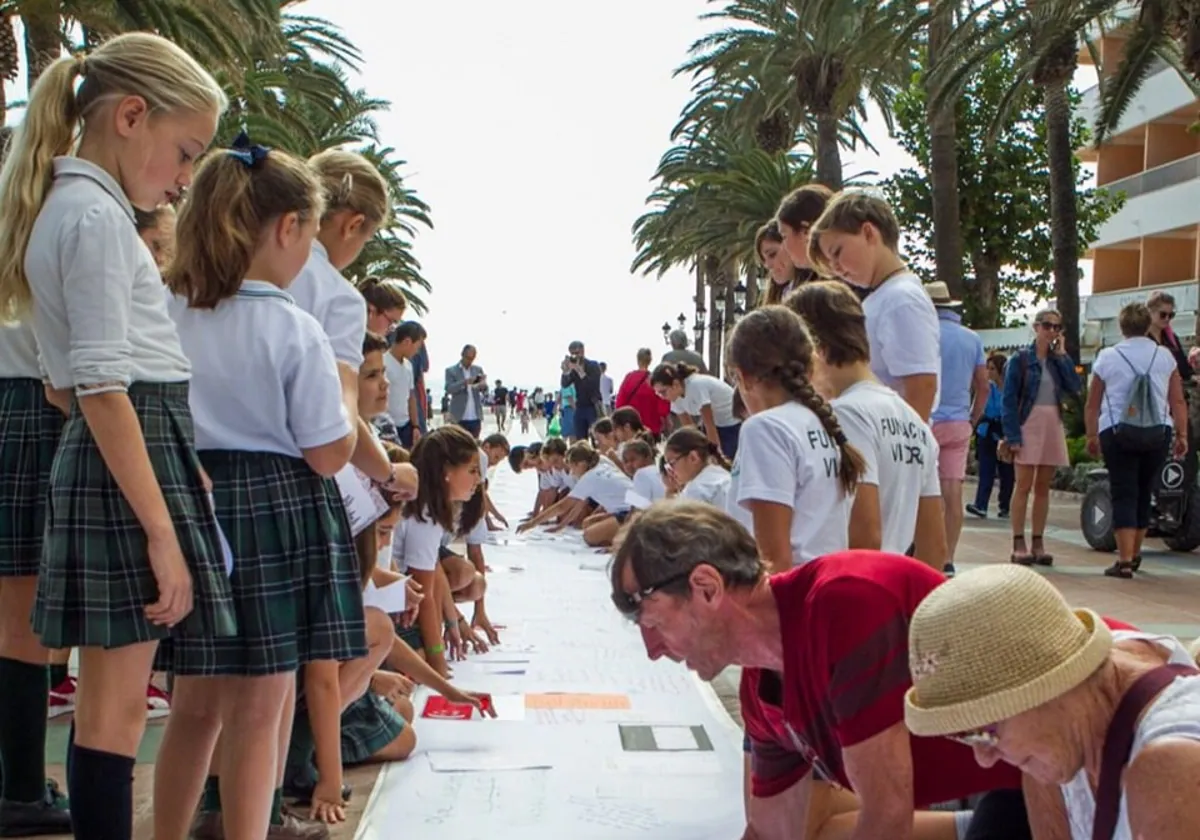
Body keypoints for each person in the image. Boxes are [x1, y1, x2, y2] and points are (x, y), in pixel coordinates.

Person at [0, 33, 237, 840]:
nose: (182, 180)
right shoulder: (97, 219)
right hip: (123, 462)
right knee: (115, 714)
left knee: (111, 708)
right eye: (184, 153)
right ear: (131, 115)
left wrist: (176, 472)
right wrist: (162, 528)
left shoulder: (66, 208)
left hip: (117, 457)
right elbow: (100, 388)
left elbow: (70, 387)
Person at [609, 503, 1028, 840]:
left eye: (654, 624)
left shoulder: (841, 605)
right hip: (1016, 781)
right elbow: (771, 832)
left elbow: (888, 820)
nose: (653, 650)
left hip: (1073, 756)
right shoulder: (761, 689)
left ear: (707, 588)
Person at [164, 142, 364, 840]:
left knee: (192, 706)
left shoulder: (170, 308)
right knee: (259, 706)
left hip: (191, 502)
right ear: (288, 229)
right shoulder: (293, 326)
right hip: (275, 509)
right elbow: (326, 450)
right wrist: (346, 398)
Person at [906, 564, 1200, 840]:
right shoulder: (1059, 737)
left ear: (1049, 684)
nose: (984, 758)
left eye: (983, 729)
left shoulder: (1170, 766)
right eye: (964, 736)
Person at [783, 283, 943, 571]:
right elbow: (934, 548)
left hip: (850, 589)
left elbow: (866, 534)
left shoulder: (845, 415)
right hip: (888, 588)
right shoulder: (914, 422)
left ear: (814, 349)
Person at [724, 303, 865, 573]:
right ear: (810, 367)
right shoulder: (826, 424)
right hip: (824, 585)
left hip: (791, 598)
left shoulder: (765, 429)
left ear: (743, 377)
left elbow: (774, 561)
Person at [808, 190, 940, 422]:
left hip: (892, 445)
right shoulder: (887, 296)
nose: (836, 268)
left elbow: (922, 386)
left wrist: (905, 455)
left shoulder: (902, 299)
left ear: (869, 233)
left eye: (837, 252)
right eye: (830, 263)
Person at [1085, 302, 1186, 578]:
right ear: (1147, 325)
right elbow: (1176, 399)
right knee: (1144, 493)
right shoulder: (1165, 356)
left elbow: (1093, 403)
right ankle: (1137, 553)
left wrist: (1092, 434)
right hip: (1158, 431)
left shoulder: (1108, 356)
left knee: (1123, 491)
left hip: (1117, 431)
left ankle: (1125, 560)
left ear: (1122, 326)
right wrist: (1182, 434)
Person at [1001, 308, 1081, 566]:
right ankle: (1018, 540)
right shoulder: (1020, 359)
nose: (1052, 331)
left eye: (1057, 327)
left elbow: (1074, 387)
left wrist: (1062, 356)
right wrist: (1012, 434)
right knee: (1023, 484)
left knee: (1043, 486)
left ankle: (1038, 540)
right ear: (1036, 327)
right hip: (1028, 423)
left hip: (1051, 423)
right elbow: (1009, 399)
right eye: (1047, 326)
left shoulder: (1057, 361)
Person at [925, 282, 987, 566]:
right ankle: (949, 557)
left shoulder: (924, 334)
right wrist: (973, 418)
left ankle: (929, 553)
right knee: (953, 492)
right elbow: (983, 386)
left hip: (928, 419)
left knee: (927, 491)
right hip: (959, 421)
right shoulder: (971, 339)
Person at [651, 362, 741, 458]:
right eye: (658, 394)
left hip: (733, 422)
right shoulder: (675, 398)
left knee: (725, 458)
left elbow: (709, 424)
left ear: (675, 384)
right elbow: (690, 429)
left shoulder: (695, 385)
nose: (662, 397)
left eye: (663, 392)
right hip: (717, 423)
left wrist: (715, 456)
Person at [966, 354, 1014, 521]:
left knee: (1007, 472)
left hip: (1004, 432)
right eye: (987, 368)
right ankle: (981, 505)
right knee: (986, 470)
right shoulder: (987, 388)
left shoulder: (1010, 389)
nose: (989, 372)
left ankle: (1005, 506)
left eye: (992, 368)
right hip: (987, 432)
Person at [615, 348, 672, 442]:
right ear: (650, 361)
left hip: (632, 427)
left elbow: (620, 402)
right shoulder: (654, 379)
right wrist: (665, 418)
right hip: (652, 426)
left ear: (637, 360)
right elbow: (662, 401)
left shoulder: (629, 378)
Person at [561, 340, 604, 441]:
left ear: (582, 351)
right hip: (580, 406)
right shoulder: (574, 369)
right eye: (572, 354)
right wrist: (565, 371)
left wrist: (579, 370)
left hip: (593, 406)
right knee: (580, 439)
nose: (575, 356)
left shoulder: (593, 365)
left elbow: (592, 386)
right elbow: (565, 384)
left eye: (576, 353)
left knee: (596, 438)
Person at [444, 345, 487, 438]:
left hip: (475, 416)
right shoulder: (451, 371)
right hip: (458, 417)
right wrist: (465, 382)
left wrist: (483, 386)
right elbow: (449, 389)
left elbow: (485, 391)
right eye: (468, 358)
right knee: (458, 447)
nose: (470, 361)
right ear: (462, 355)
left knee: (474, 446)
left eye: (472, 358)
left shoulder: (478, 369)